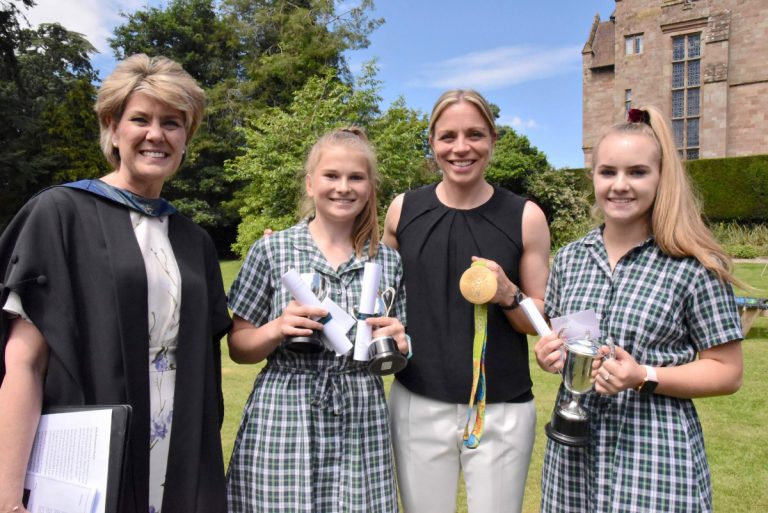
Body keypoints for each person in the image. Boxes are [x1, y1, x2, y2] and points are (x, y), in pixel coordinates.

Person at [0, 54, 231, 513]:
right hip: (88, 457)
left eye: (172, 123)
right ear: (113, 127)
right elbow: (24, 363)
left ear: (186, 137)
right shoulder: (61, 214)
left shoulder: (193, 241)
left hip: (181, 453)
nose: (156, 135)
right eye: (140, 119)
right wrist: (7, 496)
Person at [534, 106, 743, 512]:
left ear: (661, 178)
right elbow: (574, 347)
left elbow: (728, 371)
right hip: (573, 456)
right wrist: (551, 357)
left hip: (654, 456)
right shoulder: (570, 260)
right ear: (593, 177)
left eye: (637, 172)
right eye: (607, 172)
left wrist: (643, 376)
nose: (620, 185)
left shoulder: (694, 265)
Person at [383, 89, 551, 513]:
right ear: (432, 142)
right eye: (448, 136)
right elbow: (380, 296)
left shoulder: (525, 216)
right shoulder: (402, 210)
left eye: (475, 134)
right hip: (417, 400)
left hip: (502, 408)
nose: (461, 147)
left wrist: (509, 295)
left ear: (493, 139)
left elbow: (538, 320)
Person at [225, 127, 409, 513]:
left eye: (356, 177)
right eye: (331, 176)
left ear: (370, 188)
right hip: (285, 411)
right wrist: (277, 328)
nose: (343, 187)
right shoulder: (272, 250)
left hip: (360, 412)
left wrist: (400, 342)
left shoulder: (387, 260)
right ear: (310, 184)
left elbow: (398, 346)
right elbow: (239, 347)